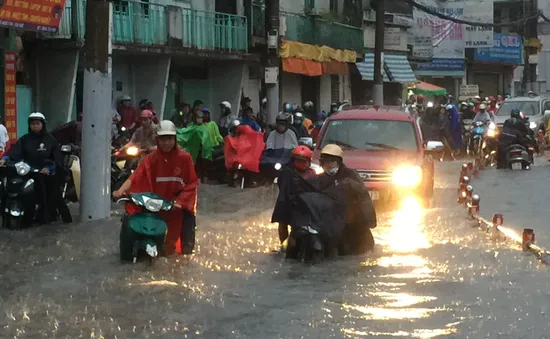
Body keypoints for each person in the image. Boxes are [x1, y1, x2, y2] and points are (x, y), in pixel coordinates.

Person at [113, 121, 199, 255]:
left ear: (175, 139)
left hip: (178, 207)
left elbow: (192, 184)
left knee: (183, 249)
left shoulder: (185, 158)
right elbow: (135, 177)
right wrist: (120, 191)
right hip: (156, 207)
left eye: (169, 139)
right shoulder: (151, 159)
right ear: (158, 140)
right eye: (163, 139)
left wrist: (180, 202)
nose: (166, 143)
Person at [0, 112, 72, 224]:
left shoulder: (50, 140)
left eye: (37, 123)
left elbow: (57, 159)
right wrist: (4, 159)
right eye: (32, 124)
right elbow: (14, 152)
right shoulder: (25, 139)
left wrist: (49, 168)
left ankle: (65, 220)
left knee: (55, 194)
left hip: (46, 174)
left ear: (42, 124)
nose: (35, 126)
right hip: (28, 171)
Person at [317, 144, 377, 254]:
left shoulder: (350, 176)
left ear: (338, 162)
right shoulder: (320, 179)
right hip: (331, 225)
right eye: (325, 162)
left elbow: (364, 197)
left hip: (353, 225)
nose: (329, 165)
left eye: (332, 161)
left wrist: (370, 220)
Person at [272, 145, 317, 245]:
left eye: (304, 161)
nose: (301, 163)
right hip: (288, 202)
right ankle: (283, 244)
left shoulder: (312, 174)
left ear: (309, 161)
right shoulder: (287, 173)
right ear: (293, 161)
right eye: (298, 160)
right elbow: (282, 188)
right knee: (282, 221)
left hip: (306, 204)